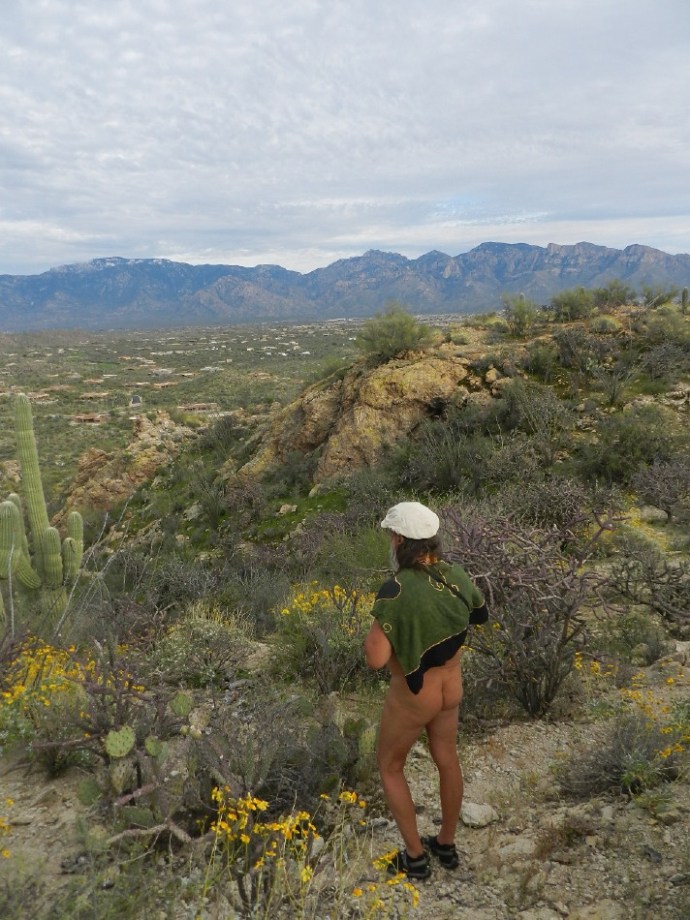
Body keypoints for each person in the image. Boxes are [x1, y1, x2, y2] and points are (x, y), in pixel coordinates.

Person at [364, 501, 488, 879]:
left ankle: (416, 859)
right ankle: (446, 845)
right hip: (452, 686)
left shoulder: (397, 589)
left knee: (390, 767)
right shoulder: (455, 574)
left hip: (415, 694)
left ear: (400, 540)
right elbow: (478, 613)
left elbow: (376, 658)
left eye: (391, 536)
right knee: (447, 758)